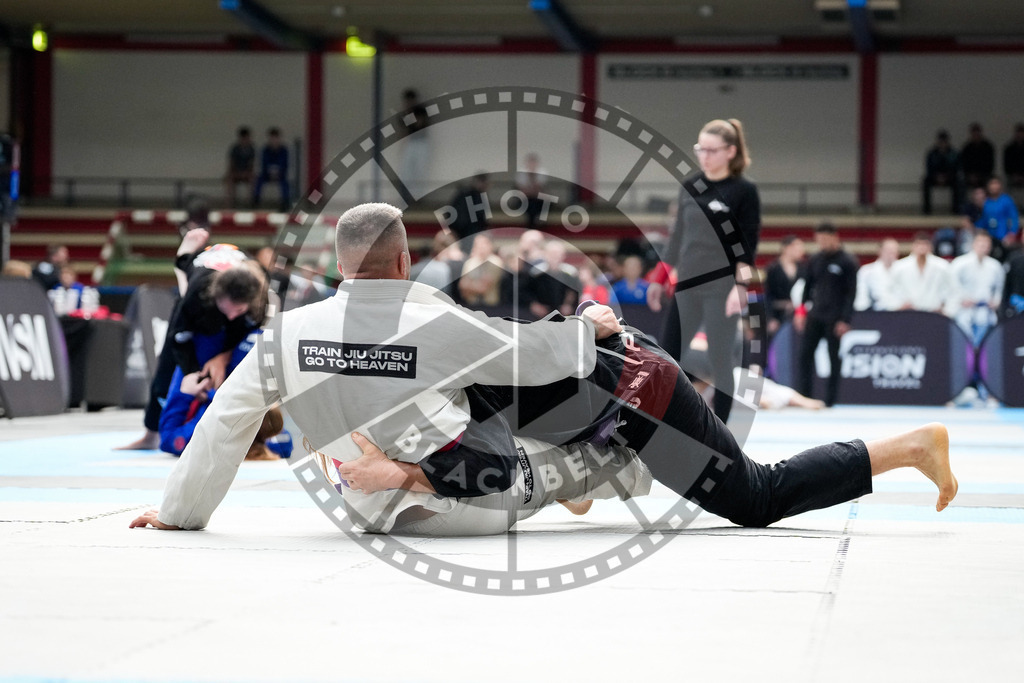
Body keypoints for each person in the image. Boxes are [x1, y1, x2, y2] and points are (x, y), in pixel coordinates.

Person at [131, 203, 958, 536]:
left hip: (635, 385)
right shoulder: (431, 318)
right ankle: (590, 471)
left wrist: (179, 512)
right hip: (584, 379)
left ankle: (909, 447)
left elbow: (224, 420)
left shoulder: (291, 331)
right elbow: (527, 349)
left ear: (340, 263)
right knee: (488, 417)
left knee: (754, 497)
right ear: (405, 256)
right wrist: (587, 325)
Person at [648, 118, 761, 424]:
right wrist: (660, 278)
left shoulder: (744, 191)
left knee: (720, 360)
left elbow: (747, 246)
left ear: (730, 151)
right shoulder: (690, 186)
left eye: (712, 150)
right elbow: (677, 237)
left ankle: (722, 431)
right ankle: (666, 421)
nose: (705, 156)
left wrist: (741, 288)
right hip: (687, 283)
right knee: (668, 354)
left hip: (722, 286)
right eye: (701, 149)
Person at [117, 240, 267, 450]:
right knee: (166, 375)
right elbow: (180, 340)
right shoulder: (197, 294)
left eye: (239, 310)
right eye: (229, 310)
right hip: (201, 294)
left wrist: (223, 357)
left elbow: (254, 327)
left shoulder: (260, 292)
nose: (232, 316)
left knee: (232, 365)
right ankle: (150, 435)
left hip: (243, 313)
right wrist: (191, 374)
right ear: (217, 298)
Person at [794, 223, 858, 408]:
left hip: (835, 317)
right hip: (816, 315)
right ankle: (805, 397)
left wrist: (845, 320)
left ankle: (830, 400)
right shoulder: (815, 259)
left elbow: (851, 294)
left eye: (824, 239)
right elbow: (807, 288)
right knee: (805, 355)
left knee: (833, 358)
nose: (821, 243)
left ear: (834, 237)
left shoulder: (847, 261)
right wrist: (801, 312)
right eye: (818, 240)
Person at [950, 231, 1004, 346]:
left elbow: (999, 288)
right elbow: (952, 284)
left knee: (985, 344)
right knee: (964, 343)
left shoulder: (995, 266)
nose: (984, 247)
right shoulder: (959, 263)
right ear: (974, 244)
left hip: (986, 310)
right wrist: (961, 298)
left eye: (987, 245)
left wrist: (996, 301)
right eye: (981, 244)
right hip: (964, 310)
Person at [886, 232, 956, 315]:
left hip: (935, 313)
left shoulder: (942, 266)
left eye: (925, 245)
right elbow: (890, 290)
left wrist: (946, 309)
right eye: (919, 244)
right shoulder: (899, 267)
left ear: (930, 247)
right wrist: (899, 305)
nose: (922, 248)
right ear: (913, 247)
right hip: (908, 312)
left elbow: (952, 290)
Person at [763, 235, 805, 336]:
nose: (801, 251)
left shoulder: (803, 269)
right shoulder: (773, 268)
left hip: (798, 313)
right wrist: (771, 318)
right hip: (778, 313)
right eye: (797, 247)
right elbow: (768, 294)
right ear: (787, 248)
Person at [526, 240, 580, 318]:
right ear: (545, 254)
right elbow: (527, 293)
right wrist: (533, 304)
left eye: (557, 253)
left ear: (563, 255)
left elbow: (575, 293)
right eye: (551, 253)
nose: (554, 256)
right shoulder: (535, 273)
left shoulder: (571, 273)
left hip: (564, 316)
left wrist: (569, 306)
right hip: (540, 316)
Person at [976, 176, 1020, 261]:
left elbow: (1014, 218)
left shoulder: (1006, 200)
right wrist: (977, 227)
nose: (994, 186)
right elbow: (985, 219)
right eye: (992, 184)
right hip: (991, 236)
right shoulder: (987, 202)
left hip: (1004, 236)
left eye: (996, 184)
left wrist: (1011, 234)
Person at [458, 233, 504, 307]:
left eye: (483, 244)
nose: (480, 247)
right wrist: (474, 285)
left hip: (490, 306)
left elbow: (483, 288)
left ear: (490, 245)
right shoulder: (470, 262)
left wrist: (470, 285)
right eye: (477, 244)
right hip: (471, 305)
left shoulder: (496, 262)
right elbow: (462, 286)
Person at [854, 237, 900, 311]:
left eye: (894, 251)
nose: (891, 254)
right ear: (880, 251)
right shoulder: (866, 271)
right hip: (875, 315)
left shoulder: (903, 270)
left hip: (901, 313)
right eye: (888, 251)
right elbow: (861, 298)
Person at [922, 130, 961, 214]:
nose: (942, 143)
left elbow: (956, 169)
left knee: (958, 182)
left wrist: (946, 177)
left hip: (949, 177)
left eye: (944, 141)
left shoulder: (953, 153)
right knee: (925, 181)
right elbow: (929, 168)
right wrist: (937, 177)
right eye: (941, 141)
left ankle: (956, 210)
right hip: (935, 177)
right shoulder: (932, 153)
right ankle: (927, 210)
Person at [253, 127, 289, 212]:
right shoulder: (265, 150)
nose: (274, 141)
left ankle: (285, 202)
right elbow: (263, 164)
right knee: (259, 180)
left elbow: (285, 165)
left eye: (276, 138)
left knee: (285, 183)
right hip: (267, 174)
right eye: (272, 138)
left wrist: (279, 173)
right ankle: (256, 201)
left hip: (280, 174)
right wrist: (270, 173)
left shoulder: (284, 150)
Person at [515, 153, 549, 230]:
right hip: (525, 199)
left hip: (538, 198)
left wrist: (533, 177)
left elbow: (538, 189)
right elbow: (523, 190)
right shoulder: (521, 172)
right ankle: (533, 227)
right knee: (530, 205)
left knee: (539, 204)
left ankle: (534, 226)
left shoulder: (542, 172)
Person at [224, 126, 255, 208]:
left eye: (246, 138)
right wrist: (234, 172)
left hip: (247, 173)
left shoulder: (251, 149)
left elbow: (251, 164)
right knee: (229, 178)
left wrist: (246, 172)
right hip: (236, 172)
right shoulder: (235, 148)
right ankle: (230, 203)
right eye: (243, 138)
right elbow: (231, 163)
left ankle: (249, 203)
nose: (245, 140)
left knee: (253, 179)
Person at [960, 123, 995, 190]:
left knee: (990, 180)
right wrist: (971, 175)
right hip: (970, 175)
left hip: (984, 174)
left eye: (977, 133)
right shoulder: (967, 148)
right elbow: (964, 164)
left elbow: (990, 164)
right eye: (974, 134)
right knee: (960, 182)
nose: (976, 136)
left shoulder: (988, 147)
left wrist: (979, 175)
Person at [1002, 123, 1024, 190]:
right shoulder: (1009, 148)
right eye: (1018, 133)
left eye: (1021, 133)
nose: (1020, 136)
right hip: (1012, 176)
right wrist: (1014, 175)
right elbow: (1007, 165)